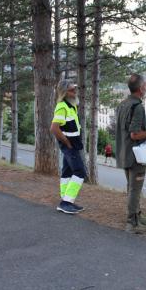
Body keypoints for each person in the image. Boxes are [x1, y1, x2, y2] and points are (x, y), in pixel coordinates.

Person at [115, 73, 146, 233]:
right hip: (136, 155)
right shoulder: (137, 107)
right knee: (135, 189)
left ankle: (137, 215)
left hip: (124, 152)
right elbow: (135, 134)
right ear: (140, 88)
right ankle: (132, 223)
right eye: (145, 85)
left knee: (132, 187)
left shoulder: (123, 104)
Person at [50, 80, 86, 215]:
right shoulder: (62, 106)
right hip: (69, 145)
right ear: (64, 92)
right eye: (71, 90)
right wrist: (66, 142)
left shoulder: (71, 106)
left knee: (67, 172)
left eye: (75, 89)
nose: (74, 92)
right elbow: (54, 128)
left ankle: (65, 200)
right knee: (80, 172)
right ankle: (66, 203)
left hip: (73, 144)